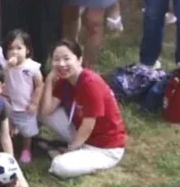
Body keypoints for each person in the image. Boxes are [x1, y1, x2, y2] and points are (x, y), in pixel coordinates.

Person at [37, 39, 126, 178]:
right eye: (56, 59)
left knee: (59, 167)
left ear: (79, 59)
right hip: (83, 135)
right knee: (39, 112)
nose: (61, 64)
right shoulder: (65, 81)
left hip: (104, 148)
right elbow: (45, 111)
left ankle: (65, 153)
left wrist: (71, 149)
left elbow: (88, 125)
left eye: (66, 59)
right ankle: (69, 151)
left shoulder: (90, 83)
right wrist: (49, 80)